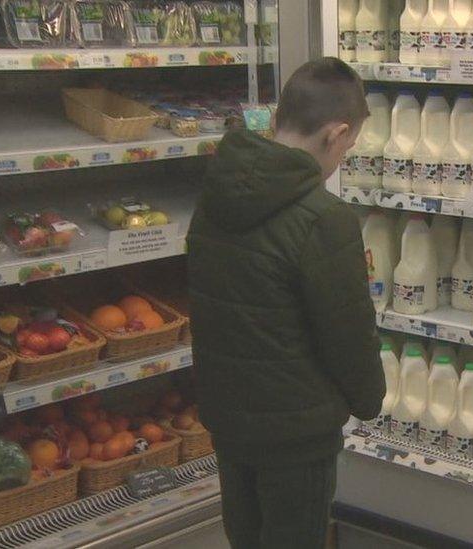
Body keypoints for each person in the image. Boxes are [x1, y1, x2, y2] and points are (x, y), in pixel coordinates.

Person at [187, 57, 385, 549]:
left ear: (279, 119)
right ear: (335, 135)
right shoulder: (323, 218)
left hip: (230, 420)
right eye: (349, 147)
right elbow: (348, 334)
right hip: (297, 435)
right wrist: (368, 401)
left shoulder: (216, 193)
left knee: (247, 538)